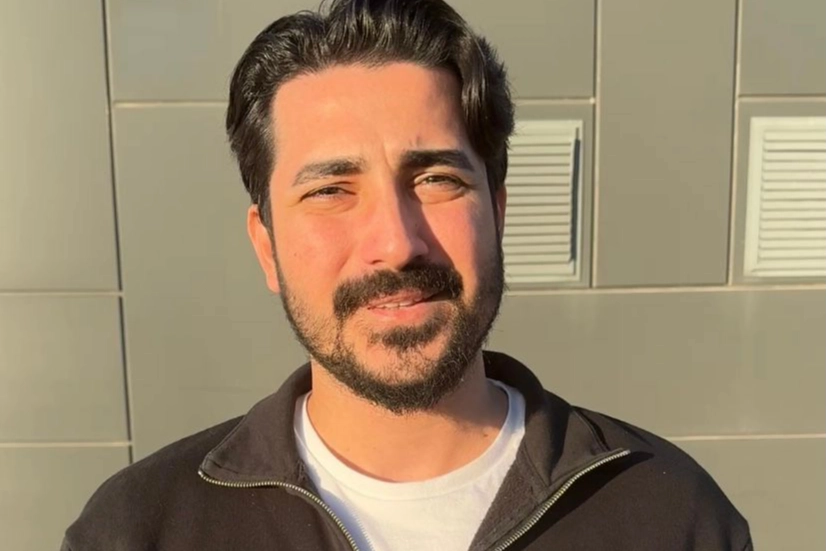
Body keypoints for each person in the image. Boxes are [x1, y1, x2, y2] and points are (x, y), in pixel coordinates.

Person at [62, 0, 752, 549]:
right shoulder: (140, 531)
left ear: (497, 212)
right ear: (266, 247)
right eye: (330, 190)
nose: (395, 244)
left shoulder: (671, 517)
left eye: (436, 179)